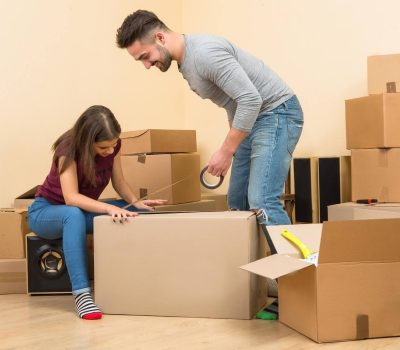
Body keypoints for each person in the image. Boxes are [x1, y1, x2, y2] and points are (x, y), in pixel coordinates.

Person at [115, 10, 303, 228]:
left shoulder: (204, 54)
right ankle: (256, 261)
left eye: (145, 57)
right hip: (253, 120)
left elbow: (251, 100)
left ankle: (296, 263)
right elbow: (231, 102)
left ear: (160, 38)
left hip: (277, 113)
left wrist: (227, 150)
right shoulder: (185, 65)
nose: (146, 66)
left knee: (263, 202)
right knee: (237, 202)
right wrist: (232, 147)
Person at [28, 105, 167, 320]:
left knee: (133, 212)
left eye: (113, 146)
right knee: (73, 214)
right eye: (104, 147)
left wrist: (135, 203)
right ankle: (82, 295)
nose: (110, 151)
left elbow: (119, 182)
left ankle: (146, 280)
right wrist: (109, 207)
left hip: (78, 212)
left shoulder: (114, 145)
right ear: (87, 141)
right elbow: (71, 198)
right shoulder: (67, 151)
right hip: (45, 212)